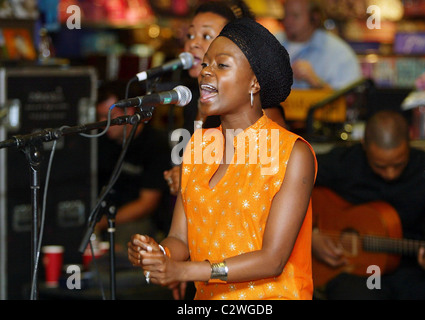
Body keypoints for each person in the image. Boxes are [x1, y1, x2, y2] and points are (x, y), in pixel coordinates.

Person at [127, 17, 317, 300]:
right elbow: (180, 237)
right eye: (205, 64)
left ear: (254, 82)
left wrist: (184, 272)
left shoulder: (292, 152)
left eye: (222, 65)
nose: (206, 72)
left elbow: (273, 259)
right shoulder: (199, 145)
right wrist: (159, 255)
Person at [313, 110, 425, 299]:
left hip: (413, 271)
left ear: (410, 141)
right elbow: (286, 186)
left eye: (399, 164)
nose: (390, 173)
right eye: (380, 166)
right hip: (362, 271)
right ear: (364, 146)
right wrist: (310, 236)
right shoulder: (343, 164)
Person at [164, 0, 287, 195]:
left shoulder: (261, 110)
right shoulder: (193, 100)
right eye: (190, 35)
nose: (192, 43)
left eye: (206, 36)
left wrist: (192, 178)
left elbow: (262, 188)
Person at [95, 80, 172, 252]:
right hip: (106, 214)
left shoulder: (154, 143)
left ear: (129, 112)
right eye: (100, 116)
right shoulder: (102, 141)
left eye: (110, 116)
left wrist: (103, 223)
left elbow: (147, 204)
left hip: (141, 221)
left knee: (129, 238)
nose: (104, 122)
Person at [277, 0, 362, 90]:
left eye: (295, 16)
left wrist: (317, 83)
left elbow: (350, 99)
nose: (287, 21)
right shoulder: (269, 43)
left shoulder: (340, 54)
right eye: (286, 14)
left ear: (314, 18)